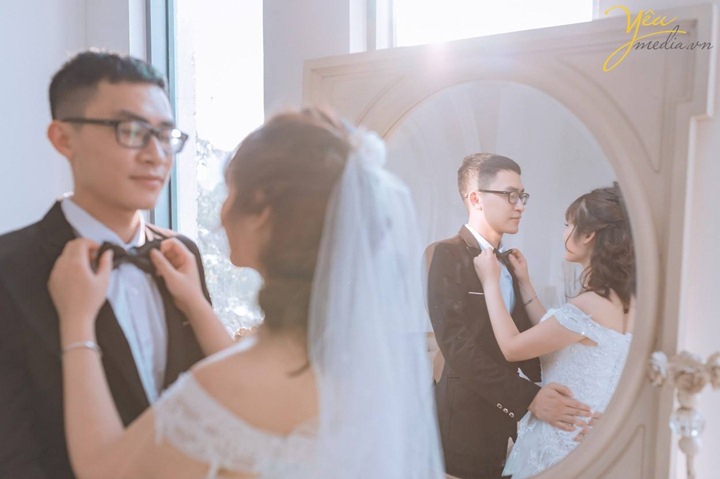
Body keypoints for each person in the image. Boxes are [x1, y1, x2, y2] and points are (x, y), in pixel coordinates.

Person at [47, 108, 445, 479]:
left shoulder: (224, 387)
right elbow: (255, 379)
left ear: (262, 213)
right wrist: (196, 304)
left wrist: (77, 321)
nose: (221, 214)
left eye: (230, 192)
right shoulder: (360, 364)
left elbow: (103, 468)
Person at [0, 51, 221, 479]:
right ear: (64, 139)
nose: (157, 155)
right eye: (132, 131)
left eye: (165, 134)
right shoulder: (10, 267)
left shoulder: (182, 256)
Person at [425, 153, 593, 479]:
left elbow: (527, 342)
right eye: (510, 195)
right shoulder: (445, 254)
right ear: (476, 199)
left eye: (522, 196)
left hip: (515, 425)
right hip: (465, 422)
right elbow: (456, 346)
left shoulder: (512, 263)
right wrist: (529, 398)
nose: (520, 206)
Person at [473, 184, 635, 479]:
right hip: (590, 442)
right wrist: (524, 282)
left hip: (559, 442)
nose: (564, 233)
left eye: (568, 225)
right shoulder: (626, 303)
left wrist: (489, 282)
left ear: (588, 235)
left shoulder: (590, 304)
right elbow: (555, 332)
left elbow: (512, 347)